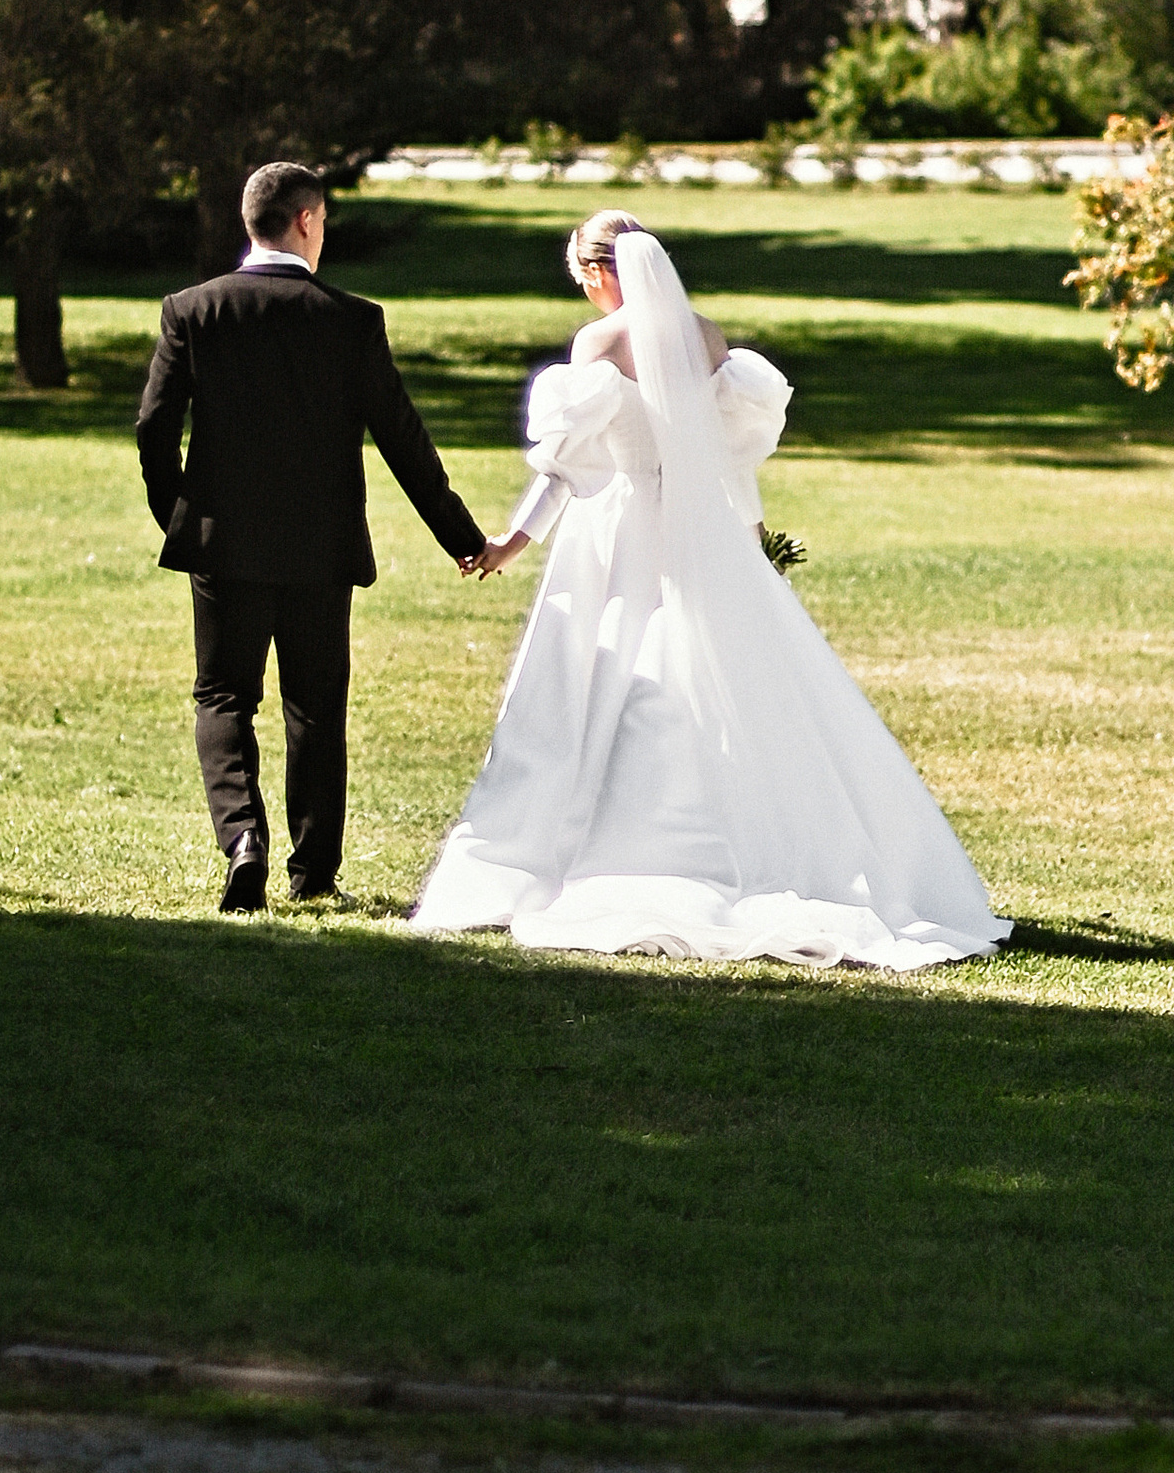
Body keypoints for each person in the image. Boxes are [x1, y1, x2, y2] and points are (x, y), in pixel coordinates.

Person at [411, 208, 1007, 971]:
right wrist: (753, 539)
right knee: (723, 679)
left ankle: (608, 851)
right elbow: (730, 462)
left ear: (598, 274)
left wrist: (509, 544)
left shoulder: (598, 343)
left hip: (619, 529)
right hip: (705, 528)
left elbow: (562, 469)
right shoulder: (712, 340)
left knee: (605, 679)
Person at [136, 158, 491, 912]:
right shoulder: (351, 319)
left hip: (223, 542)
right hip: (320, 548)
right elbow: (403, 437)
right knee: (316, 707)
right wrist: (459, 534)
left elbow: (153, 424)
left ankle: (242, 840)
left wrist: (178, 512)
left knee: (224, 695)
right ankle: (314, 869)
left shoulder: (193, 310)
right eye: (323, 220)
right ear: (306, 220)